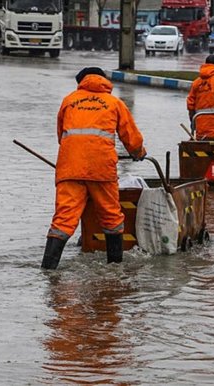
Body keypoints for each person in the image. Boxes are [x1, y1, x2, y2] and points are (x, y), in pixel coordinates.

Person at [42, 67, 147, 270]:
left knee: (63, 219)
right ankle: (115, 268)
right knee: (111, 216)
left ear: (81, 82)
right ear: (103, 80)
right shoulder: (114, 103)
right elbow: (131, 138)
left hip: (70, 168)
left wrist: (74, 157)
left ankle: (48, 269)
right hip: (101, 170)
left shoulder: (69, 100)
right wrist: (139, 153)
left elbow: (61, 136)